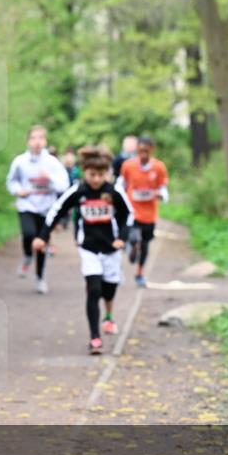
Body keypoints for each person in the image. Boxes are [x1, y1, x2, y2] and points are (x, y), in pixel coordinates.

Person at [33, 146, 132, 355]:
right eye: (91, 175)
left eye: (100, 175)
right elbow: (57, 210)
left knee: (109, 289)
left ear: (107, 173)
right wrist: (43, 236)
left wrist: (122, 238)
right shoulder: (79, 190)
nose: (95, 179)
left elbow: (128, 215)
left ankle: (109, 316)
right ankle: (95, 337)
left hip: (111, 249)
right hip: (88, 248)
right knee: (93, 289)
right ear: (84, 172)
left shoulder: (113, 191)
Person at [5, 126, 69, 293]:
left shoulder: (52, 163)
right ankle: (27, 255)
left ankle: (40, 277)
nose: (37, 142)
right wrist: (18, 191)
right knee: (28, 234)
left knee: (41, 243)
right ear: (28, 141)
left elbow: (64, 185)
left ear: (45, 141)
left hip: (46, 208)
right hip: (27, 205)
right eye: (34, 138)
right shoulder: (20, 162)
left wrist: (50, 178)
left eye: (41, 138)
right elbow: (11, 181)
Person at [116, 136, 169, 287]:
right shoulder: (128, 166)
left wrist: (161, 195)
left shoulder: (159, 167)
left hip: (149, 214)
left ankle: (140, 273)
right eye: (140, 151)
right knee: (133, 237)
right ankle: (133, 246)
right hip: (132, 211)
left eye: (146, 151)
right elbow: (122, 183)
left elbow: (163, 187)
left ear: (152, 150)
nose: (143, 154)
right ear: (137, 150)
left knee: (145, 245)